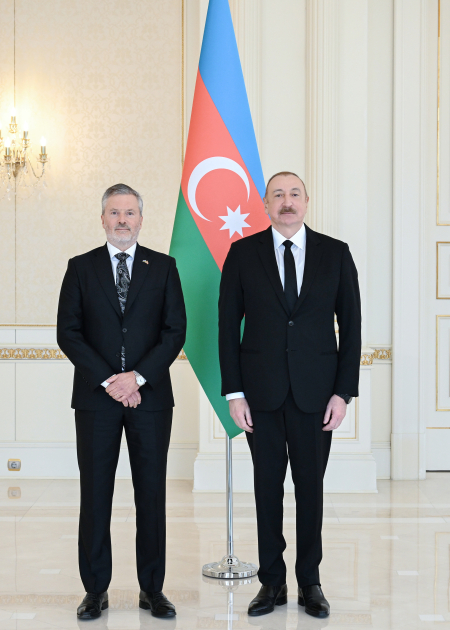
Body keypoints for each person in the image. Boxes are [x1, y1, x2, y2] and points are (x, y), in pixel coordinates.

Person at [219, 172, 361, 619]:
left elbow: (352, 327)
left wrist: (343, 393)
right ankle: (271, 582)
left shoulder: (336, 253)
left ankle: (310, 581)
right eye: (277, 194)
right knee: (266, 490)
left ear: (306, 201)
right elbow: (226, 326)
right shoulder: (242, 253)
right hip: (259, 395)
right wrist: (234, 393)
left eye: (294, 194)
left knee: (310, 491)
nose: (287, 201)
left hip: (316, 397)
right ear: (265, 204)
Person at [57, 183, 186, 620]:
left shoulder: (164, 267)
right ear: (102, 219)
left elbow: (175, 330)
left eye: (130, 213)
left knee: (151, 494)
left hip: (151, 399)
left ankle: (153, 589)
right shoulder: (80, 267)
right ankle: (95, 590)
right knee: (96, 495)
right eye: (114, 213)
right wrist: (112, 380)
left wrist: (138, 377)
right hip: (97, 400)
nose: (122, 220)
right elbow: (68, 332)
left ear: (141, 219)